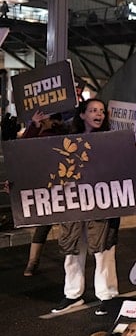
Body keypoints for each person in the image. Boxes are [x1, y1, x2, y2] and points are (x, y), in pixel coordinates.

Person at [48, 99, 122, 315]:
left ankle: (107, 295)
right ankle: (72, 294)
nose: (98, 114)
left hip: (102, 202)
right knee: (73, 250)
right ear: (82, 115)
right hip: (74, 203)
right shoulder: (66, 140)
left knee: (104, 250)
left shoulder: (112, 141)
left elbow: (124, 168)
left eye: (101, 111)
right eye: (92, 110)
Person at [19, 109, 64, 277]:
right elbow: (21, 149)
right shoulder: (37, 132)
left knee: (70, 225)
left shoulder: (61, 131)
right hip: (46, 186)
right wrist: (35, 125)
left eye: (44, 115)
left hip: (64, 184)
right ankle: (33, 262)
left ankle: (72, 261)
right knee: (43, 225)